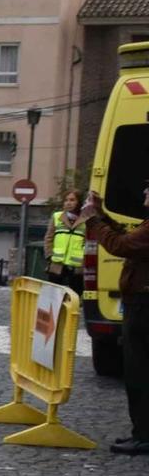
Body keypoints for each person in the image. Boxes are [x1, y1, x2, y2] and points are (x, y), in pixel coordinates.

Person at [82, 183, 149, 454]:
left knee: (140, 372)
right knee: (137, 370)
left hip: (145, 305)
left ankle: (144, 436)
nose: (144, 193)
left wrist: (94, 219)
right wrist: (102, 214)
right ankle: (141, 432)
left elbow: (120, 245)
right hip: (141, 302)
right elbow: (127, 237)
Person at [47, 189, 87, 293]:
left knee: (75, 297)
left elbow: (88, 242)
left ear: (79, 202)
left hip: (77, 266)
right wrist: (49, 255)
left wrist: (84, 260)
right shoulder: (57, 216)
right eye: (66, 200)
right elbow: (49, 238)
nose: (68, 203)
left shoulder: (86, 220)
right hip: (57, 264)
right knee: (54, 297)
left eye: (72, 200)